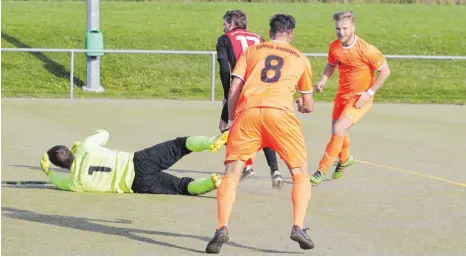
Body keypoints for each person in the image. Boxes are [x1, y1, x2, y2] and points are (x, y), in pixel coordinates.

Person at [205, 14, 315, 254]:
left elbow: (234, 88)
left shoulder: (254, 51)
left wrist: (233, 119)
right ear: (291, 34)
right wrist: (302, 104)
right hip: (281, 116)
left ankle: (221, 228)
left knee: (232, 174)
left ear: (270, 31)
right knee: (299, 172)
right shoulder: (301, 58)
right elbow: (308, 104)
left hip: (249, 114)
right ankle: (298, 226)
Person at [309, 11, 391, 184]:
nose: (341, 32)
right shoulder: (335, 47)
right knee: (338, 131)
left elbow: (385, 71)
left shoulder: (367, 50)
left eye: (345, 28)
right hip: (341, 96)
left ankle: (320, 170)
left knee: (339, 130)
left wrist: (369, 93)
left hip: (360, 98)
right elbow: (330, 66)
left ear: (353, 27)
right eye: (338, 28)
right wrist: (322, 80)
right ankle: (345, 160)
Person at [39, 129, 228, 195]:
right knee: (180, 145)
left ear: (60, 165)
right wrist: (80, 143)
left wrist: (48, 171)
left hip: (136, 184)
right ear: (67, 149)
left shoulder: (75, 183)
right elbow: (104, 134)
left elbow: (59, 182)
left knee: (181, 187)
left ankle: (211, 183)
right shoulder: (86, 147)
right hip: (137, 162)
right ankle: (211, 142)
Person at [216, 9, 283, 188]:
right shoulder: (259, 38)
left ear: (231, 24)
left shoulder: (224, 39)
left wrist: (226, 95)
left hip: (241, 88)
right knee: (262, 128)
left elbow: (224, 69)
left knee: (225, 126)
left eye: (225, 24)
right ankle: (275, 170)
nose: (224, 28)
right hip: (263, 88)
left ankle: (245, 166)